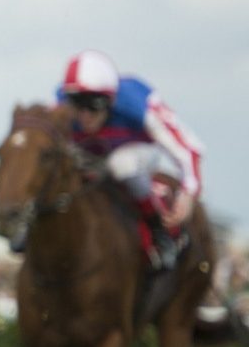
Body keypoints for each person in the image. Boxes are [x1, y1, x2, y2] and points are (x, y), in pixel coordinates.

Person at [56, 50, 204, 269]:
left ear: (111, 99)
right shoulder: (60, 107)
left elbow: (189, 147)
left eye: (93, 104)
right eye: (78, 103)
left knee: (121, 164)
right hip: (90, 154)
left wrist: (188, 193)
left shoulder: (136, 103)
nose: (84, 115)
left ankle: (158, 231)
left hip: (137, 152)